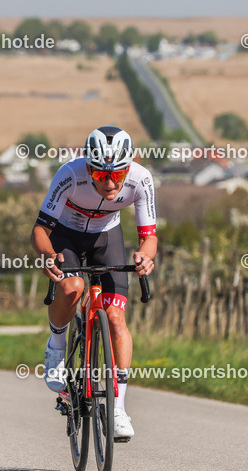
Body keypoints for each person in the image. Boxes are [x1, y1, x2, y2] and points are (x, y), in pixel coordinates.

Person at [30, 125, 156, 440]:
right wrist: (48, 256)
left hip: (106, 235)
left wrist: (145, 256)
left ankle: (118, 409)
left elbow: (149, 236)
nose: (110, 183)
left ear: (129, 167)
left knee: (115, 318)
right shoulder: (70, 175)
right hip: (66, 236)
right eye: (101, 175)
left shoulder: (141, 179)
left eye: (118, 174)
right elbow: (40, 230)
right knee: (73, 287)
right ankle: (56, 345)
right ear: (89, 169)